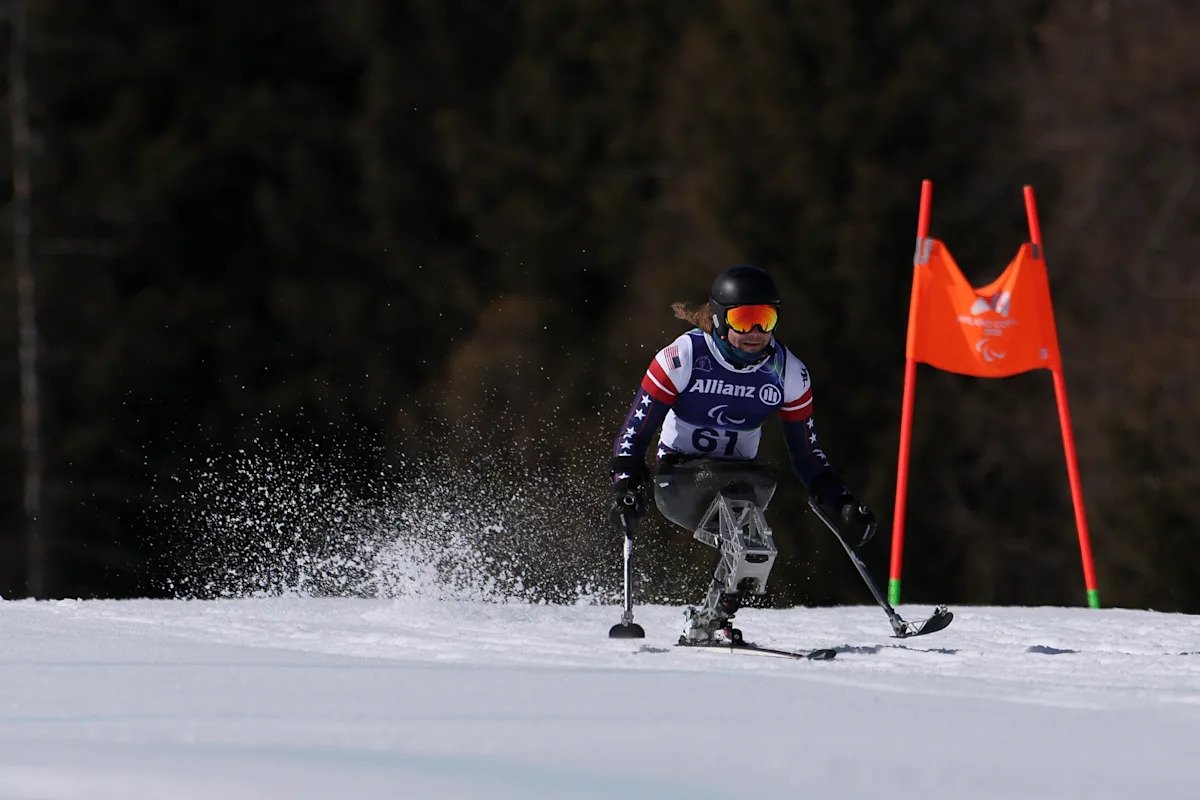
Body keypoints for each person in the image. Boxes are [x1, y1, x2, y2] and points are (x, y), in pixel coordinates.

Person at [608, 264, 877, 644]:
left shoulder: (787, 371)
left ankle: (711, 618)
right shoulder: (684, 357)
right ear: (719, 319)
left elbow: (807, 453)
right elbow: (635, 430)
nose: (756, 333)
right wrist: (626, 481)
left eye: (766, 319)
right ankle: (708, 620)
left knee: (755, 549)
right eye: (744, 319)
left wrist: (839, 500)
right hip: (681, 477)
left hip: (740, 478)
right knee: (748, 538)